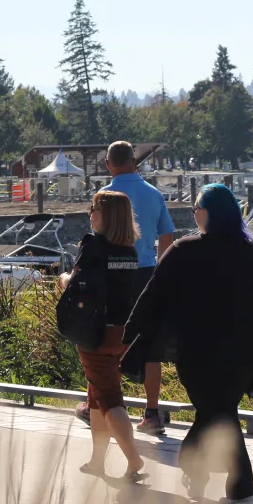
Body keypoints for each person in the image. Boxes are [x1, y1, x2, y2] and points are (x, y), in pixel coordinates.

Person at [125, 184, 253, 504]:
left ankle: (240, 489)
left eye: (196, 208)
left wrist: (130, 334)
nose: (194, 214)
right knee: (219, 409)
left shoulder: (185, 250)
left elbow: (152, 296)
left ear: (206, 213)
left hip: (199, 351)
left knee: (217, 411)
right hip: (247, 354)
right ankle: (201, 473)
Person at [75, 140, 175, 435]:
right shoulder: (154, 193)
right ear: (135, 162)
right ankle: (152, 412)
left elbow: (96, 239)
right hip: (145, 273)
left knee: (103, 339)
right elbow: (166, 237)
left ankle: (102, 403)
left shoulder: (105, 196)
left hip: (112, 275)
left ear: (108, 165)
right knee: (150, 344)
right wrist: (158, 273)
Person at [59, 191, 147, 482]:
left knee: (109, 399)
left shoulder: (93, 244)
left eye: (94, 208)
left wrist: (62, 279)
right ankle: (97, 461)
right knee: (96, 396)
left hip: (95, 333)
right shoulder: (130, 252)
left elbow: (77, 282)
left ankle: (134, 459)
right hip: (123, 333)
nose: (90, 213)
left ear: (105, 214)